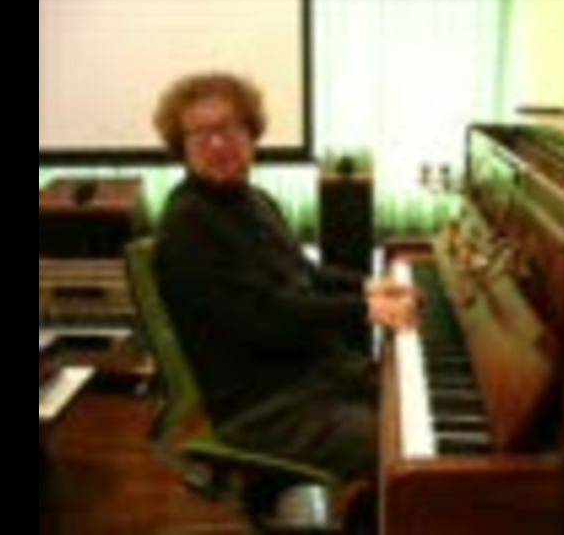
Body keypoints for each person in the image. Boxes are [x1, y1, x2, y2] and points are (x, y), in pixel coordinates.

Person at [152, 72, 417, 494]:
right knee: (402, 446)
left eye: (228, 129)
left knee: (410, 397)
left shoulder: (253, 199)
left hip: (311, 373)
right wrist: (366, 309)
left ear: (252, 133)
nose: (217, 144)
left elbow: (303, 272)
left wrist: (369, 285)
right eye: (200, 135)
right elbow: (264, 317)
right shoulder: (188, 225)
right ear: (181, 147)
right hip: (264, 407)